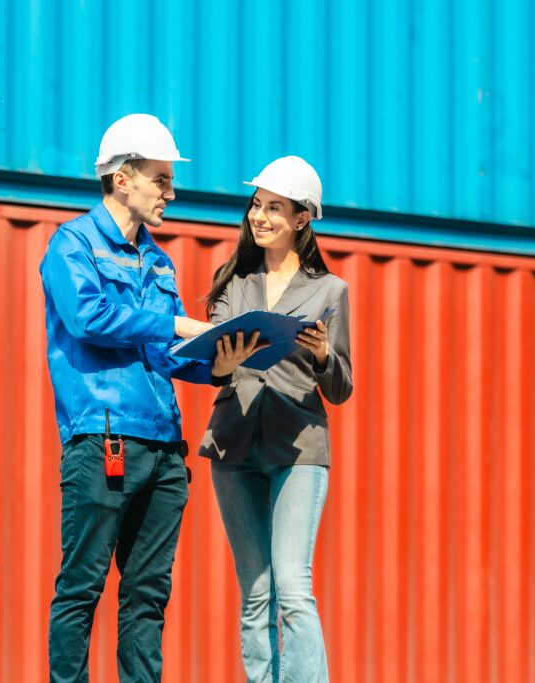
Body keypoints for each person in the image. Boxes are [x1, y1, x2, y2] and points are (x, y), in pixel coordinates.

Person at [40, 114, 259, 682]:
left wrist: (217, 363)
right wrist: (177, 325)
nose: (171, 192)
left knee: (146, 597)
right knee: (82, 586)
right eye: (160, 179)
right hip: (103, 437)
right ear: (121, 179)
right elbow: (88, 318)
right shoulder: (72, 245)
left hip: (164, 450)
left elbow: (162, 353)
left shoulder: (157, 260)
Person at [199, 156, 353, 682]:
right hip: (233, 443)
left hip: (298, 445)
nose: (258, 217)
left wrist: (321, 356)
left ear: (302, 219)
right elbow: (210, 364)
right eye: (256, 206)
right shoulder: (233, 280)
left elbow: (341, 387)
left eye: (273, 209)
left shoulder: (330, 291)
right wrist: (219, 365)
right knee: (256, 591)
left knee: (292, 588)